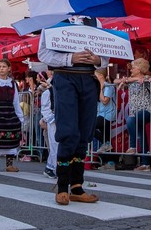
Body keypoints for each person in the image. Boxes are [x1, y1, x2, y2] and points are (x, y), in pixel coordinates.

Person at [38, 15, 109, 205]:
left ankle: (77, 186)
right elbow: (43, 54)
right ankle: (62, 186)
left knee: (85, 132)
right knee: (68, 131)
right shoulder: (53, 21)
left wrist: (98, 59)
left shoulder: (95, 22)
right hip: (65, 78)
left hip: (88, 79)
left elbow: (105, 56)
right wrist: (70, 58)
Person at [117, 58, 151, 171]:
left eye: (133, 68)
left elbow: (147, 79)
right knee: (141, 135)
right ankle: (145, 164)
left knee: (130, 119)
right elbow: (115, 81)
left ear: (139, 69)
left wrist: (129, 79)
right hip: (135, 112)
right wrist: (125, 80)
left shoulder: (145, 78)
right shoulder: (131, 80)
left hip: (146, 110)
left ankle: (132, 146)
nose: (131, 69)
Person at [38, 72, 57, 178]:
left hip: (64, 121)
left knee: (60, 145)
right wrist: (51, 119)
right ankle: (53, 168)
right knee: (54, 144)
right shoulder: (48, 93)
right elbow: (45, 109)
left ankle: (51, 167)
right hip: (53, 122)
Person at [94, 68, 116, 152]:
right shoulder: (97, 86)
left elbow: (104, 101)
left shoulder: (108, 86)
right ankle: (107, 147)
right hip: (100, 113)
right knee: (106, 135)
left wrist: (100, 89)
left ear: (100, 76)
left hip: (107, 114)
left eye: (95, 75)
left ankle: (106, 143)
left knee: (90, 127)